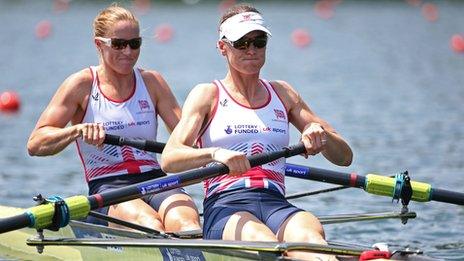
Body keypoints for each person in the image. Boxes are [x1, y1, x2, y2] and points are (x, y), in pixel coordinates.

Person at [161, 3, 353, 260]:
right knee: (265, 243)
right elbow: (170, 159)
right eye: (241, 43)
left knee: (312, 240)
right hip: (227, 207)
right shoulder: (208, 95)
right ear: (222, 47)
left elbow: (344, 158)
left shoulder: (283, 93)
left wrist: (321, 135)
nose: (251, 50)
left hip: (275, 203)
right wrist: (217, 154)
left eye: (259, 41)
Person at [27, 4, 201, 233]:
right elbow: (35, 144)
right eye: (118, 44)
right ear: (99, 44)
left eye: (134, 43)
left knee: (187, 224)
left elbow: (186, 139)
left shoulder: (152, 82)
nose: (128, 52)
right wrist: (77, 131)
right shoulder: (81, 85)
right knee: (150, 225)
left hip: (156, 179)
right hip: (109, 186)